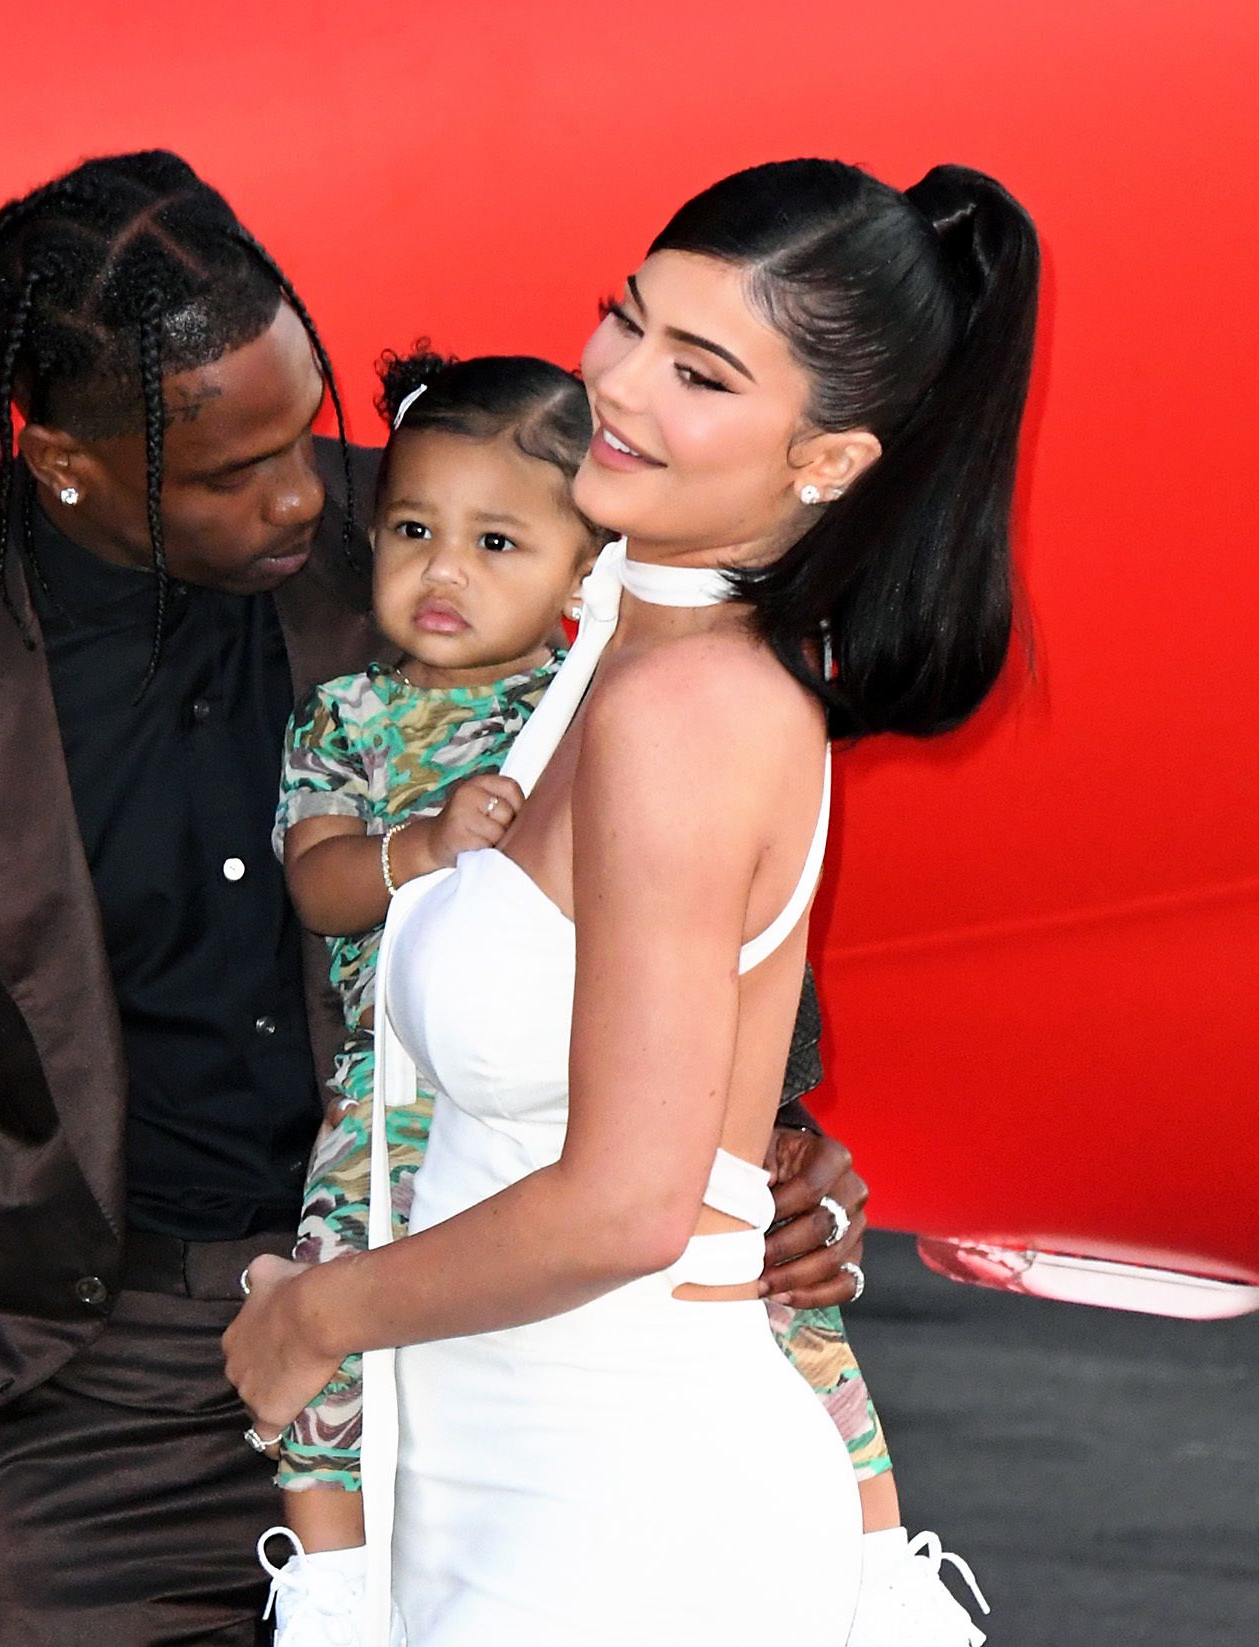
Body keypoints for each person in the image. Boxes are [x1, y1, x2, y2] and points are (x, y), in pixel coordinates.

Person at [0, 150, 868, 1646]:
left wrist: (765, 1143)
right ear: (59, 456)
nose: (312, 495)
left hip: (469, 1330)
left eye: (311, 431)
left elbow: (672, 829)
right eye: (234, 471)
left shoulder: (461, 530)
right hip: (94, 1428)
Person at [225, 157, 1039, 1646]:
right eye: (627, 316)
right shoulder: (603, 630)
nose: (619, 382)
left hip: (620, 1521)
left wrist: (311, 1319)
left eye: (702, 372)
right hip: (495, 1479)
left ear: (831, 462)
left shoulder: (692, 713)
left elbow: (629, 1201)